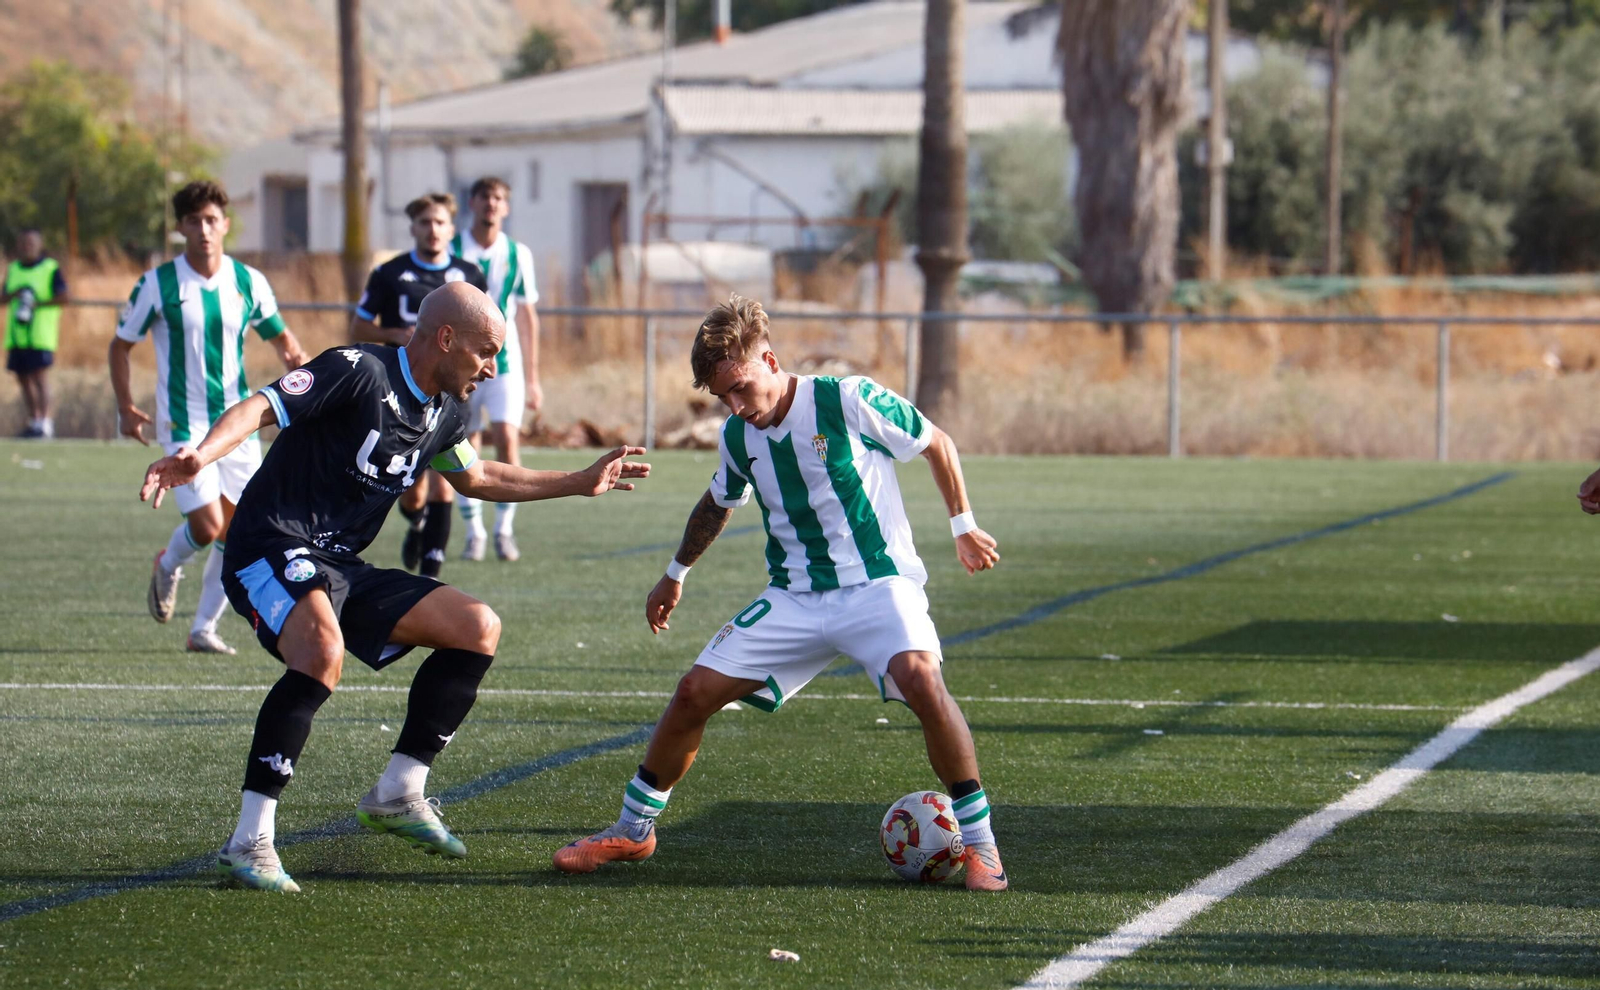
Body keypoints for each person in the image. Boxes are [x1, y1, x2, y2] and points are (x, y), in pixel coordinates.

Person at [140, 282, 649, 893]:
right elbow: (262, 407)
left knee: (476, 627)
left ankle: (399, 791)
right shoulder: (358, 370)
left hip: (336, 564)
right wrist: (201, 454)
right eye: (486, 351)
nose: (492, 368)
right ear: (446, 339)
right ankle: (249, 841)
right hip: (268, 546)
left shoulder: (444, 412)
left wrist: (578, 480)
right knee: (321, 654)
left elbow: (478, 475)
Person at [553, 295, 1009, 890]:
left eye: (741, 388)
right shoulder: (738, 436)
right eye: (723, 398)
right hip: (794, 597)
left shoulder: (846, 399)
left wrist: (963, 525)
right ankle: (633, 831)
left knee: (923, 679)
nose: (737, 407)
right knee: (693, 693)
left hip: (877, 585)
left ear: (768, 358)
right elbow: (718, 501)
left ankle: (981, 847)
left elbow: (935, 442)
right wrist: (675, 573)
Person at [110, 180, 307, 655]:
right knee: (205, 526)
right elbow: (121, 346)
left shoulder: (248, 282)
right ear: (180, 227)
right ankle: (168, 563)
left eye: (212, 219)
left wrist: (298, 364)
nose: (204, 229)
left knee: (238, 531)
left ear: (225, 224)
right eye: (194, 220)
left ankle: (202, 629)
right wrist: (124, 405)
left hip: (237, 422)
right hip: (183, 422)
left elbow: (279, 336)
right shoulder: (157, 284)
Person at [351, 192, 487, 579]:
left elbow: (484, 330)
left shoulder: (469, 275)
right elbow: (358, 326)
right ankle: (416, 522)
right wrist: (394, 332)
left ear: (451, 228)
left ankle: (431, 576)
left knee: (448, 482)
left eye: (440, 222)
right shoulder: (390, 273)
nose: (433, 230)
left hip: (450, 388)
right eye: (425, 222)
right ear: (413, 228)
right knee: (412, 491)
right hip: (401, 389)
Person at [450, 176, 542, 562]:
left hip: (505, 365)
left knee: (507, 438)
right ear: (472, 202)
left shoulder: (518, 254)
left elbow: (527, 314)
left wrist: (534, 378)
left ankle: (504, 531)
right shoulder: (453, 248)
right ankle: (475, 533)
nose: (491, 203)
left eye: (499, 198)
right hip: (462, 363)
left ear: (506, 207)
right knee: (465, 445)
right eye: (485, 196)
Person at [3, 228, 68, 438]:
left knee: (39, 378)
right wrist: (16, 294)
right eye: (23, 243)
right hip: (17, 335)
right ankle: (34, 421)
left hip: (40, 334)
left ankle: (46, 423)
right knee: (23, 378)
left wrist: (36, 303)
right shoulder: (14, 269)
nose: (27, 247)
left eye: (31, 243)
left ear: (39, 245)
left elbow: (64, 296)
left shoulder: (50, 268)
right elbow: (2, 297)